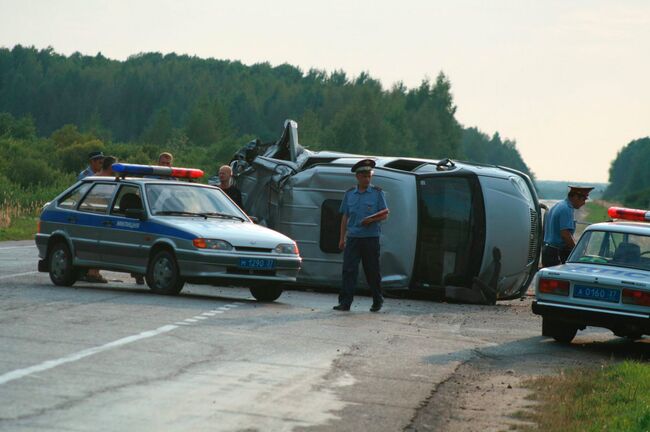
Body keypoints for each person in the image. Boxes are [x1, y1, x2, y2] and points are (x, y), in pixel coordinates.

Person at [334, 159, 389, 312]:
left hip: (370, 238)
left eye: (369, 176)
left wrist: (371, 219)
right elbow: (345, 216)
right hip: (353, 238)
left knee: (372, 270)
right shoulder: (350, 193)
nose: (367, 179)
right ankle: (345, 302)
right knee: (349, 270)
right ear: (357, 177)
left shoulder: (377, 193)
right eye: (364, 176)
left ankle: (377, 300)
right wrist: (341, 238)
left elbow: (385, 214)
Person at [541, 185, 594, 267]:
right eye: (583, 199)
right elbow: (565, 234)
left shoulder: (560, 204)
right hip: (555, 253)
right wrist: (576, 251)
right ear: (576, 197)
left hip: (549, 250)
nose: (583, 203)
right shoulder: (566, 209)